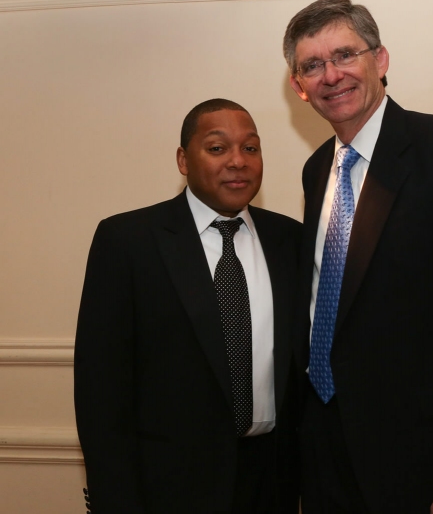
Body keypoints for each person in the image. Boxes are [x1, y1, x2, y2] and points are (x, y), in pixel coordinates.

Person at [283, 0, 433, 514]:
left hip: (422, 467)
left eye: (345, 54)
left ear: (381, 59)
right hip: (324, 456)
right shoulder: (316, 169)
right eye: (312, 66)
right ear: (299, 87)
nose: (331, 75)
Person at [74, 99, 301, 514]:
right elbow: (100, 392)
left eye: (251, 148)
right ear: (183, 159)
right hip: (166, 488)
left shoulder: (291, 241)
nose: (238, 161)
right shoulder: (127, 241)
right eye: (217, 148)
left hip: (273, 482)